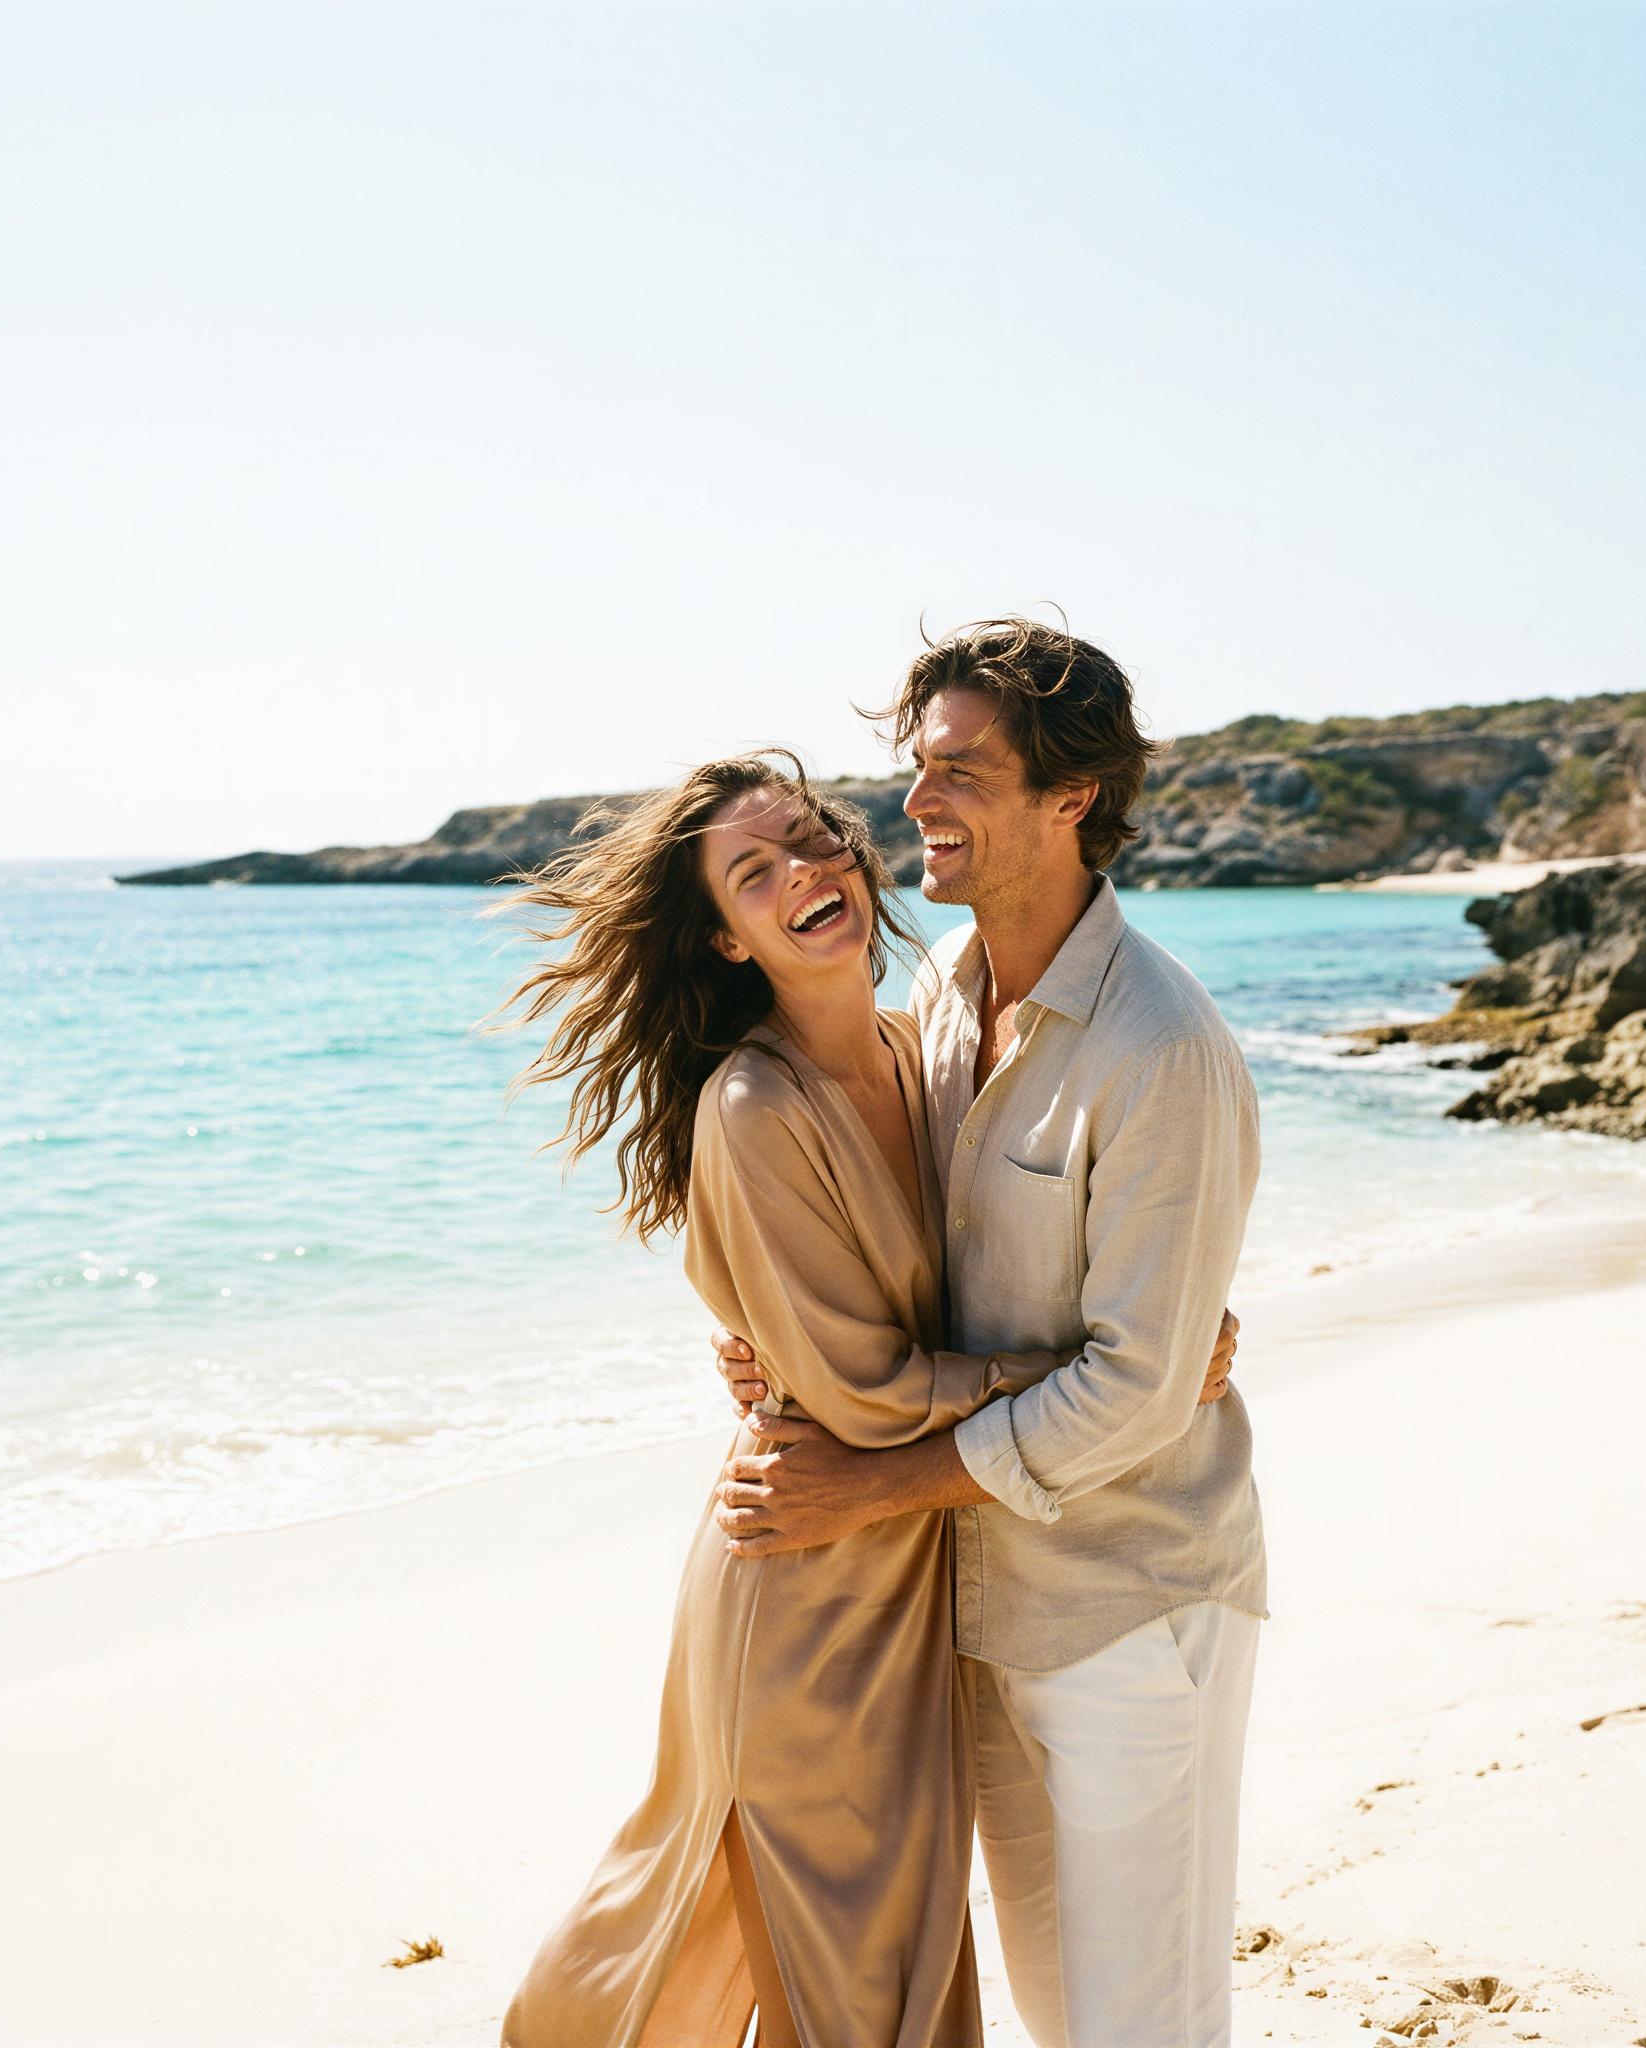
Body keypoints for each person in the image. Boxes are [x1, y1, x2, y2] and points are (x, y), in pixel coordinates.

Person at [482, 749, 1237, 2048]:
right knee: (846, 1977)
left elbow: (1012, 1247)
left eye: (812, 839)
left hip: (923, 1573)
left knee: (885, 1963)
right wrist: (1119, 1365)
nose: (802, 875)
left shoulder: (924, 1045)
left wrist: (1141, 1322)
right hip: (811, 1586)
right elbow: (870, 1396)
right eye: (753, 872)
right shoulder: (751, 1108)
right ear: (723, 936)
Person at [710, 619, 1268, 2048]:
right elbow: (883, 1238)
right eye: (917, 769)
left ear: (1069, 796)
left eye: (959, 770)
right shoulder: (943, 1003)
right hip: (977, 1611)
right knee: (1058, 2012)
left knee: (1143, 2026)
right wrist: (770, 1338)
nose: (917, 804)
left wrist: (880, 1480)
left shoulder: (1163, 1048)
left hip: (1132, 1610)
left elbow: (1138, 1390)